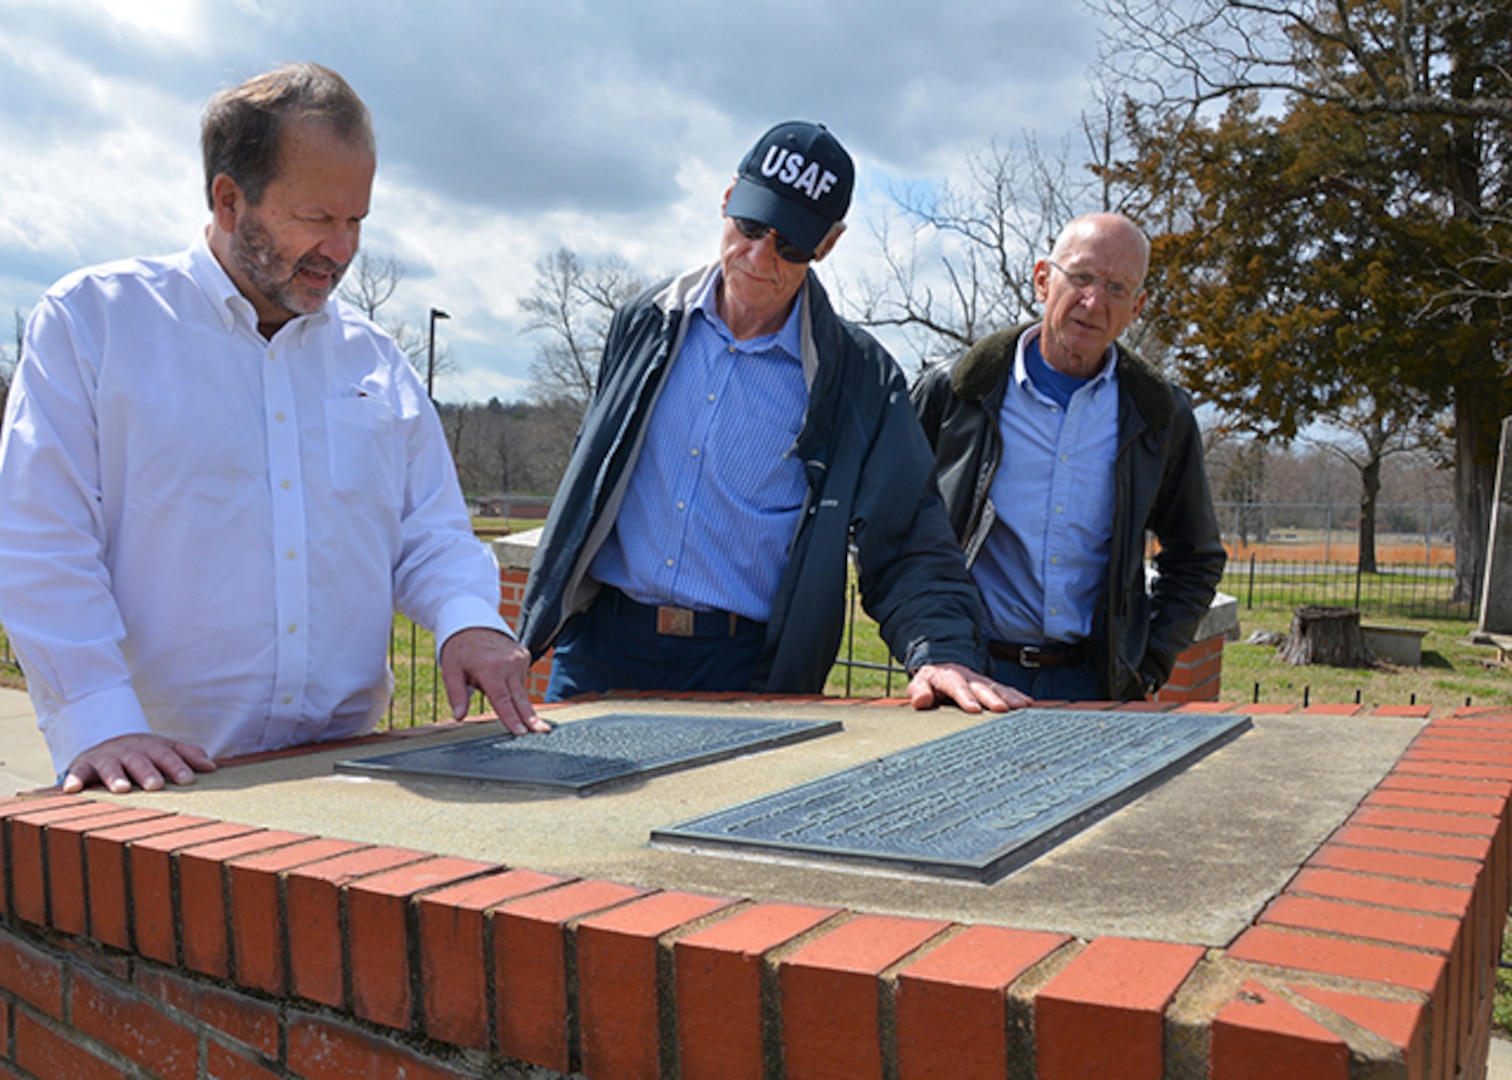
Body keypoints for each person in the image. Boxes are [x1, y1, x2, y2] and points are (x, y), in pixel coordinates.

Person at [0, 63, 548, 796]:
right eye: (317, 218)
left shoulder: (376, 359)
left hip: (353, 776)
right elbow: (43, 537)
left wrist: (468, 619)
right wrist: (99, 722)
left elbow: (431, 533)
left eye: (356, 220)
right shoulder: (94, 322)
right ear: (229, 200)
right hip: (160, 778)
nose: (343, 249)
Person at [519, 121, 1026, 713]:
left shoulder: (860, 377)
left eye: (790, 245)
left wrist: (941, 649)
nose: (759, 257)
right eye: (751, 226)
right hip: (602, 648)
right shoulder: (644, 322)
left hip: (747, 668)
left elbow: (908, 533)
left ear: (828, 245)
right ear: (728, 197)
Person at [912, 212, 1225, 701]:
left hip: (1095, 683)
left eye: (1117, 289)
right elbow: (894, 533)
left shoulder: (1159, 417)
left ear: (1137, 306)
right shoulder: (955, 394)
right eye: (1080, 277)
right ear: (1042, 280)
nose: (1094, 302)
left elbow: (1196, 556)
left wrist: (1148, 662)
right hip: (970, 672)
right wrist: (933, 647)